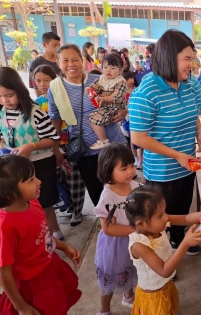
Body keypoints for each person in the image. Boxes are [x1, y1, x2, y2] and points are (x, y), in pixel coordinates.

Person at [129, 30, 201, 255]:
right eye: (187, 59)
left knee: (183, 204)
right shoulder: (147, 91)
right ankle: (161, 254)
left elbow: (197, 110)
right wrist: (177, 155)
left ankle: (178, 239)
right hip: (163, 170)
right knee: (160, 216)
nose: (191, 65)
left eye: (192, 59)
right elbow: (138, 138)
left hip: (186, 162)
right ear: (169, 57)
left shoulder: (189, 82)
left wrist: (199, 132)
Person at [0, 155, 82, 315]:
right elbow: (4, 272)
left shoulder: (34, 203)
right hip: (31, 283)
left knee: (58, 306)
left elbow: (42, 235)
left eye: (35, 176)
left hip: (49, 269)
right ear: (9, 193)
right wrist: (21, 307)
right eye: (30, 180)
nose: (38, 181)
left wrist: (63, 246)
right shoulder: (5, 227)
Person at [48, 44, 127, 207]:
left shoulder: (98, 80)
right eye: (66, 60)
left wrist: (124, 111)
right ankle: (107, 225)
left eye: (75, 59)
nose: (71, 64)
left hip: (113, 141)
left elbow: (120, 98)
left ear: (82, 60)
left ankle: (127, 222)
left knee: (122, 186)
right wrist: (56, 149)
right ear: (58, 62)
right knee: (96, 189)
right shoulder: (55, 89)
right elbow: (55, 119)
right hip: (86, 148)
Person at [112, 185, 201, 314]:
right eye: (160, 215)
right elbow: (164, 270)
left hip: (165, 285)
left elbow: (185, 219)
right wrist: (185, 244)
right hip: (153, 297)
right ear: (140, 224)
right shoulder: (139, 245)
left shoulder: (157, 223)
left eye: (164, 212)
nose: (166, 217)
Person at [0, 67, 62, 238]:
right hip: (16, 168)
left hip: (40, 164)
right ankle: (35, 236)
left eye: (9, 95)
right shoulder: (2, 113)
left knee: (43, 202)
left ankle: (52, 232)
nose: (5, 100)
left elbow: (54, 139)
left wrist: (31, 146)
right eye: (0, 96)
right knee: (23, 202)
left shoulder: (35, 113)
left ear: (20, 90)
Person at [33, 65, 86, 227]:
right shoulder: (36, 104)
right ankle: (67, 205)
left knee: (74, 179)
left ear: (55, 79)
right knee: (59, 180)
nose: (42, 84)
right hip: (50, 149)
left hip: (69, 145)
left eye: (46, 80)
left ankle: (77, 211)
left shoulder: (63, 96)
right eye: (38, 81)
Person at [94, 144, 138, 315]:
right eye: (123, 168)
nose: (130, 171)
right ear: (107, 170)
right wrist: (135, 228)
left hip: (132, 239)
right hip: (114, 245)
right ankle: (104, 309)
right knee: (111, 277)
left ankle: (128, 295)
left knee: (130, 268)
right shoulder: (108, 196)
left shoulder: (135, 186)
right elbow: (109, 229)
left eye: (132, 165)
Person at [86, 54, 127, 149]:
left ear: (120, 70)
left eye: (112, 68)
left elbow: (117, 97)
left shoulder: (120, 82)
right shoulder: (103, 78)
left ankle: (103, 140)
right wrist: (90, 88)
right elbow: (96, 86)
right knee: (93, 116)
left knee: (95, 118)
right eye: (105, 67)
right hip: (106, 107)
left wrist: (104, 98)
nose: (108, 70)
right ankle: (102, 140)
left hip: (115, 107)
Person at [29, 32, 61, 97]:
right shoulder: (35, 63)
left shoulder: (62, 61)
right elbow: (37, 89)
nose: (57, 48)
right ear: (44, 45)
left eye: (59, 45)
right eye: (54, 45)